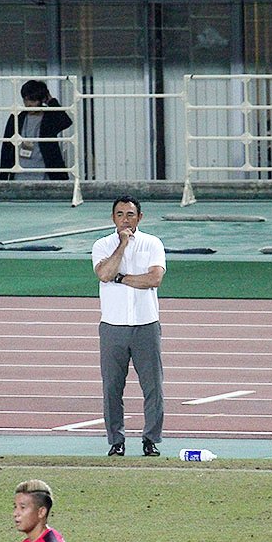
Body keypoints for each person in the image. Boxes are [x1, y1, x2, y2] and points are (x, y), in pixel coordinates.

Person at [91, 196, 166, 457]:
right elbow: (104, 274)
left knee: (153, 386)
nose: (125, 219)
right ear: (113, 217)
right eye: (120, 214)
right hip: (113, 326)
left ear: (139, 217)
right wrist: (122, 244)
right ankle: (116, 440)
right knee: (112, 387)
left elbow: (154, 279)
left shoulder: (152, 243)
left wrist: (121, 278)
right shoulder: (102, 245)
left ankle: (151, 439)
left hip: (146, 325)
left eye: (130, 214)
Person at [0, 80, 73, 181]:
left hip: (46, 175)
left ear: (41, 100)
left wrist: (51, 101)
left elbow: (66, 121)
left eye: (33, 100)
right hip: (19, 175)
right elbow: (7, 147)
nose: (29, 104)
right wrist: (3, 178)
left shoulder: (49, 117)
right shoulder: (16, 117)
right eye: (26, 100)